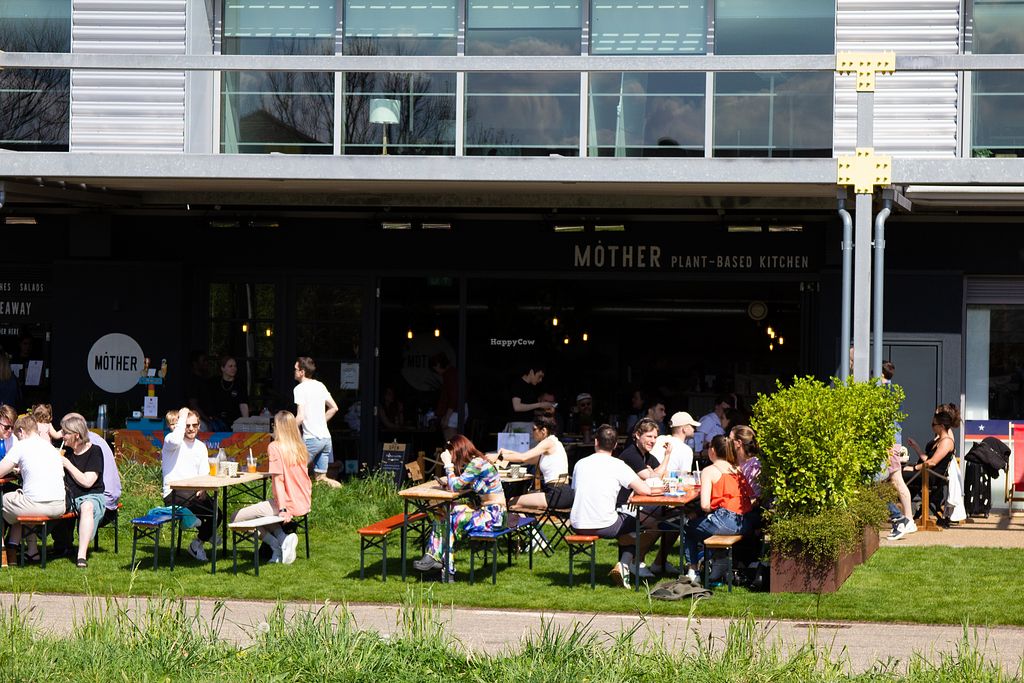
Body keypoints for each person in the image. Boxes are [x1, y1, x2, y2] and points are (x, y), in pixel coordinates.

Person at [570, 424, 661, 588]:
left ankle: (623, 565)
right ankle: (625, 564)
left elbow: (575, 490)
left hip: (577, 523)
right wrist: (661, 489)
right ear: (615, 445)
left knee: (627, 526)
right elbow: (645, 490)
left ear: (596, 442)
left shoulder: (580, 464)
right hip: (605, 524)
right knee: (638, 523)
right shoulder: (618, 465)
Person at [413, 434, 506, 579]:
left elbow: (455, 487)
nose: (451, 457)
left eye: (451, 453)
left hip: (494, 517)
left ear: (458, 450)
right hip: (489, 512)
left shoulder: (477, 464)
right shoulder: (476, 462)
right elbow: (462, 484)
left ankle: (442, 565)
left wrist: (448, 465)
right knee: (442, 512)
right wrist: (451, 482)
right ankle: (436, 559)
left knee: (450, 519)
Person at [231, 410, 312, 565]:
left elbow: (278, 480)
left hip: (286, 503)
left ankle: (277, 544)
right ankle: (282, 539)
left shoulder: (275, 447)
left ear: (278, 427)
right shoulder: (300, 447)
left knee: (236, 518)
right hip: (303, 501)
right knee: (260, 514)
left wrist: (283, 509)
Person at [684, 434, 753, 585]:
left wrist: (709, 509)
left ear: (713, 450)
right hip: (744, 522)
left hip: (726, 520)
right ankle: (717, 563)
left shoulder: (709, 470)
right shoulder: (737, 469)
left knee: (688, 528)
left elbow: (705, 505)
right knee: (705, 525)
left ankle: (693, 571)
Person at [0, 414, 66, 562]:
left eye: (18, 436)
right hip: (59, 505)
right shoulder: (51, 448)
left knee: (4, 500)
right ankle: (31, 551)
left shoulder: (22, 446)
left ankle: (5, 550)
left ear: (21, 431)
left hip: (38, 505)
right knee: (23, 500)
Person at [646, 411, 701, 575]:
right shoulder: (685, 449)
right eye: (691, 426)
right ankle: (639, 560)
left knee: (675, 520)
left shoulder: (660, 439)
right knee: (678, 518)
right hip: (665, 495)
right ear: (683, 429)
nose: (694, 429)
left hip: (649, 490)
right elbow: (683, 479)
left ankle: (658, 562)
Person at [162, 407, 217, 561]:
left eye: (195, 425)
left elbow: (204, 473)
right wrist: (183, 413)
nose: (191, 428)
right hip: (173, 493)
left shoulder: (200, 446)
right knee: (204, 511)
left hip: (194, 492)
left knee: (217, 513)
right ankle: (208, 534)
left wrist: (203, 489)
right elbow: (176, 439)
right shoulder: (171, 440)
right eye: (187, 425)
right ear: (181, 425)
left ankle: (197, 544)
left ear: (199, 426)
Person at [57, 413, 105, 568]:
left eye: (65, 433)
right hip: (69, 498)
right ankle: (34, 548)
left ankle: (81, 556)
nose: (62, 436)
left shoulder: (95, 451)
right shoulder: (66, 452)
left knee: (87, 506)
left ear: (76, 435)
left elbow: (87, 482)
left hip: (91, 496)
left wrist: (67, 464)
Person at [498, 416, 572, 510]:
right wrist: (507, 452)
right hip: (562, 492)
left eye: (534, 429)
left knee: (511, 501)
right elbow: (528, 458)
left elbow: (523, 457)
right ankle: (524, 519)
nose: (532, 432)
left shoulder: (548, 442)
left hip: (556, 494)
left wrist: (499, 457)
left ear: (543, 430)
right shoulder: (554, 443)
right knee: (515, 504)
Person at [906, 403, 960, 526]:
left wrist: (913, 468)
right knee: (902, 474)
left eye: (933, 424)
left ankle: (901, 512)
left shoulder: (947, 441)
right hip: (926, 472)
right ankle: (904, 512)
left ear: (941, 426)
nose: (931, 427)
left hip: (931, 475)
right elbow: (929, 459)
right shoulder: (940, 439)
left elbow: (932, 462)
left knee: (900, 475)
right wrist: (916, 447)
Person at [293, 356, 342, 488]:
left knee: (295, 473)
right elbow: (334, 408)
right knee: (321, 478)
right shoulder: (320, 385)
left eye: (295, 369)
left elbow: (300, 417)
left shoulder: (299, 389)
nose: (294, 372)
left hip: (311, 439)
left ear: (302, 372)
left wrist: (285, 430)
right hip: (326, 439)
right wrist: (320, 421)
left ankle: (299, 498)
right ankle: (343, 491)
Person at [204, 355, 249, 431]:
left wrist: (246, 422)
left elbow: (243, 404)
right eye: (230, 366)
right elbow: (208, 402)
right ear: (222, 368)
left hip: (235, 421)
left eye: (235, 366)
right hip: (217, 421)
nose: (234, 368)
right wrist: (210, 418)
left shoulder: (240, 384)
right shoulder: (213, 383)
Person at [431, 353, 459, 442]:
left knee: (451, 442)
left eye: (435, 367)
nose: (436, 371)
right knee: (451, 441)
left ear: (438, 365)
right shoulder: (451, 374)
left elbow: (453, 398)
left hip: (454, 411)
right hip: (454, 410)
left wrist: (447, 417)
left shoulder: (450, 375)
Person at [186, 350, 210, 429]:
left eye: (207, 360)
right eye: (203, 361)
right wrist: (207, 420)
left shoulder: (204, 380)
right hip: (199, 422)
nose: (206, 363)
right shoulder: (193, 381)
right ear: (195, 364)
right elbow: (193, 405)